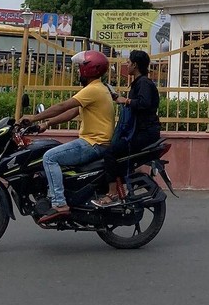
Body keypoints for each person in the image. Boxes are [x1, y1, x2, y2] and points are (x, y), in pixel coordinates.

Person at [20, 48, 115, 223]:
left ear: (89, 69)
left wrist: (34, 117)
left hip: (93, 144)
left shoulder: (93, 89)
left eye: (80, 68)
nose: (78, 71)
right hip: (94, 142)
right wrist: (46, 124)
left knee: (49, 157)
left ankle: (59, 203)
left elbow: (63, 106)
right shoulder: (99, 88)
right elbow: (71, 112)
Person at [92, 49, 161, 208]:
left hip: (145, 133)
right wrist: (119, 98)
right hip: (139, 131)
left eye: (129, 62)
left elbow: (144, 104)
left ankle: (112, 194)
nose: (126, 64)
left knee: (110, 152)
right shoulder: (138, 83)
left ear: (135, 65)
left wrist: (126, 101)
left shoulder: (144, 82)